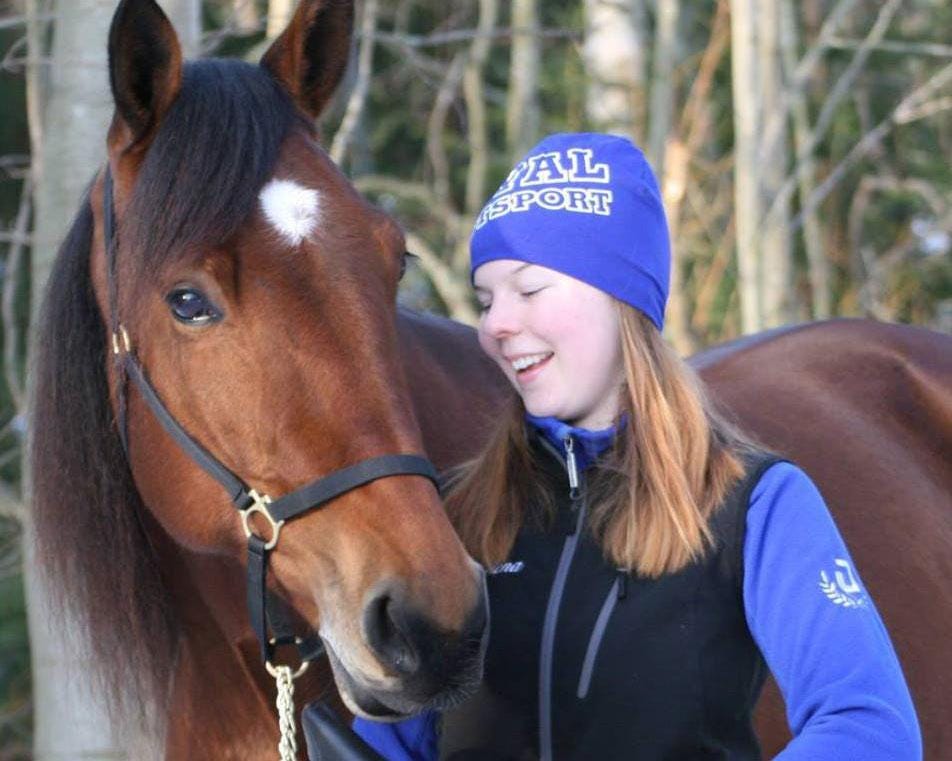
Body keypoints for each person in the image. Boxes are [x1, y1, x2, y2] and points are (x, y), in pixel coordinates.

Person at [351, 133, 921, 760]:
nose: (495, 325)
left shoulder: (752, 503)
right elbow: (382, 748)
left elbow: (869, 726)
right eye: (487, 301)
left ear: (621, 297)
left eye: (530, 289)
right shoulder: (455, 517)